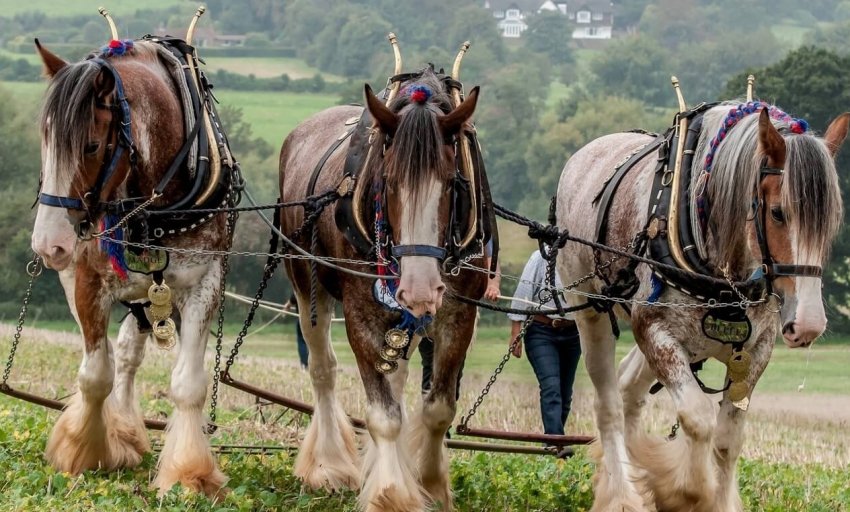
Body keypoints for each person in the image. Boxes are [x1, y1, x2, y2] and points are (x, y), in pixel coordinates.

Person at [508, 250, 581, 458]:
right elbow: (524, 290)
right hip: (541, 331)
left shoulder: (582, 255)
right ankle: (555, 446)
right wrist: (516, 331)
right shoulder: (542, 256)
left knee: (565, 395)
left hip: (573, 332)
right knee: (551, 388)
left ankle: (554, 441)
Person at [419, 242, 501, 397]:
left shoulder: (478, 225)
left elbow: (491, 255)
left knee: (454, 364)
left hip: (459, 310)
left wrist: (493, 284)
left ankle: (446, 403)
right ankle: (428, 405)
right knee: (429, 361)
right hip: (429, 307)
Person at [285, 293, 309, 369]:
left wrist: (286, 307)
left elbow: (292, 300)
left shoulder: (301, 288)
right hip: (317, 320)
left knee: (302, 341)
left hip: (303, 320)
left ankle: (304, 364)